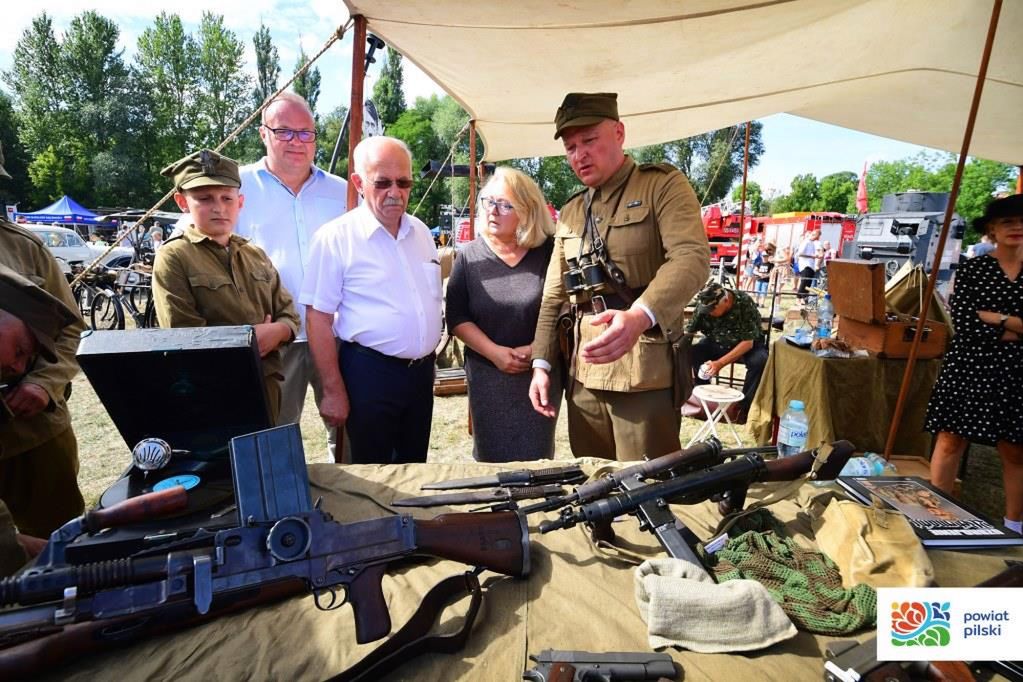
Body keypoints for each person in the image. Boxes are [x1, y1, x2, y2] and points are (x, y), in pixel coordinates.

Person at [528, 92, 710, 461]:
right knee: (594, 485)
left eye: (590, 141)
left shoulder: (662, 185)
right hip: (584, 376)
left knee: (647, 488)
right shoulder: (572, 210)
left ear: (619, 133)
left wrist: (640, 316)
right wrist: (541, 364)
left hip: (644, 373)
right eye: (571, 147)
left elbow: (692, 258)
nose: (579, 155)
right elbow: (553, 296)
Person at [301, 136, 441, 465]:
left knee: (414, 469)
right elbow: (317, 319)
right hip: (369, 374)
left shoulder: (420, 232)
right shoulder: (335, 238)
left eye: (404, 182)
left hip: (420, 377)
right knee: (370, 473)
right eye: (382, 183)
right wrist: (333, 391)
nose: (395, 192)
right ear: (359, 183)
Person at [235, 92, 349, 459]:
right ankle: (285, 516)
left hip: (338, 334)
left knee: (351, 438)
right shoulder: (234, 189)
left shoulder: (343, 193)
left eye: (306, 133)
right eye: (284, 132)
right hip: (273, 339)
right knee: (274, 445)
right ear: (262, 133)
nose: (297, 142)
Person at [152, 149, 299, 424]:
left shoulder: (255, 254)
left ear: (240, 202)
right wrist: (250, 340)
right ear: (182, 202)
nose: (219, 207)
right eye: (205, 199)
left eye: (227, 198)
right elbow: (184, 336)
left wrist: (277, 330)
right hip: (213, 395)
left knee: (267, 462)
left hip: (267, 387)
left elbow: (290, 314)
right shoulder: (174, 257)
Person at [0, 142, 87, 539]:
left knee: (61, 544)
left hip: (32, 433)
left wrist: (44, 383)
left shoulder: (24, 248)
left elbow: (70, 328)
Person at [925, 193, 1023, 535]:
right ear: (993, 230)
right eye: (1008, 221)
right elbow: (966, 326)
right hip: (970, 364)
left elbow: (981, 322)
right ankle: (935, 517)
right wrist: (1016, 324)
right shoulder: (973, 269)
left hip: (1017, 372)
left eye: (1022, 221)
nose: (1017, 228)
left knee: (1015, 448)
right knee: (951, 438)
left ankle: (1014, 526)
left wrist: (996, 317)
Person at [446, 167, 559, 462]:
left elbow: (565, 308)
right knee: (491, 462)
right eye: (489, 202)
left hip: (539, 372)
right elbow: (456, 316)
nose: (494, 211)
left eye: (506, 205)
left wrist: (538, 351)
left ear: (527, 211)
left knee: (537, 461)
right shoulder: (469, 255)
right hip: (487, 375)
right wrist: (495, 353)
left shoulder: (550, 252)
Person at [0, 264, 80, 573]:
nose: (20, 369)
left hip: (37, 438)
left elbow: (70, 329)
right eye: (20, 350)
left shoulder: (26, 246)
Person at [686, 282, 768, 423]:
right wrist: (681, 350)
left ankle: (744, 409)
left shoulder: (743, 301)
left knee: (759, 361)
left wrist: (720, 363)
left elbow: (748, 343)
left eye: (712, 309)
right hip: (717, 341)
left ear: (726, 300)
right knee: (694, 353)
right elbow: (690, 331)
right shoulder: (704, 306)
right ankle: (703, 398)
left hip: (746, 344)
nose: (709, 313)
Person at [795, 228, 820, 299]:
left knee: (808, 283)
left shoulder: (813, 243)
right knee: (804, 282)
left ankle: (804, 298)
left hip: (811, 266)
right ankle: (798, 299)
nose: (818, 238)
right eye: (817, 236)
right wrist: (812, 256)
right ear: (813, 234)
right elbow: (800, 254)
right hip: (806, 265)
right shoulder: (806, 242)